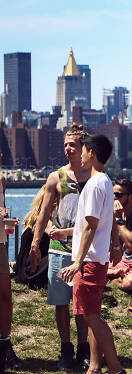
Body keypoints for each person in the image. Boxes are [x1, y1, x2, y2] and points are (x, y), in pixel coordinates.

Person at [58, 134, 124, 374]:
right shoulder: (104, 182)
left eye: (84, 150)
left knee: (91, 317)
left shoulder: (96, 184)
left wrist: (77, 262)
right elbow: (91, 225)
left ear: (92, 153)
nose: (81, 155)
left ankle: (115, 369)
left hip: (89, 261)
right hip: (95, 259)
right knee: (92, 315)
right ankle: (95, 367)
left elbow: (90, 225)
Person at [28, 124, 91, 370]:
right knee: (61, 302)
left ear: (84, 147)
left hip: (85, 251)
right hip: (59, 249)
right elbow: (43, 213)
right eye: (65, 144)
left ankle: (84, 349)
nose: (67, 148)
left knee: (83, 304)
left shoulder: (94, 176)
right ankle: (66, 348)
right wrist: (35, 244)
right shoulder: (56, 177)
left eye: (72, 144)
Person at [0, 152, 20, 372]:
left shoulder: (1, 180)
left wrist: (7, 218)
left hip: (1, 243)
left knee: (5, 296)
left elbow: (0, 208)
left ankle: (5, 346)